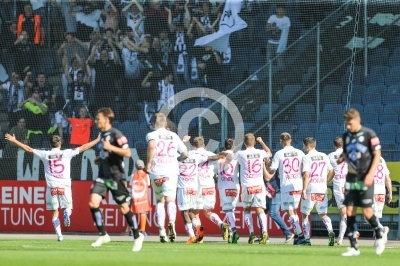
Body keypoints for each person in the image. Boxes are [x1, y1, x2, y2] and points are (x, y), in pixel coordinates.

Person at [4, 133, 101, 241]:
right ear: (61, 144)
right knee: (68, 208)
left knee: (54, 212)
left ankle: (59, 235)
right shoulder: (67, 153)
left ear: (50, 144)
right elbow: (84, 147)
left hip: (52, 187)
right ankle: (66, 213)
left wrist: (15, 141)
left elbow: (29, 149)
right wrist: (97, 140)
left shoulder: (45, 154)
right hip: (65, 186)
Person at [88, 108, 144, 252]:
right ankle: (103, 234)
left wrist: (111, 147)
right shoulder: (103, 136)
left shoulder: (116, 134)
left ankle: (138, 236)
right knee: (93, 203)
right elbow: (108, 152)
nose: (96, 120)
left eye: (98, 118)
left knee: (124, 208)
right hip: (102, 175)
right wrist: (101, 158)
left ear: (107, 119)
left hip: (116, 176)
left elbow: (127, 152)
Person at [339, 108, 385, 256]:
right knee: (350, 210)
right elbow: (346, 152)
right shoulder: (346, 136)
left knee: (367, 212)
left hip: (365, 177)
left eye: (350, 123)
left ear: (358, 121)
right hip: (351, 177)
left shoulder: (369, 134)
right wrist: (342, 158)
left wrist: (371, 174)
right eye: (346, 123)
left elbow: (377, 154)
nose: (348, 126)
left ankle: (380, 233)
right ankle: (353, 247)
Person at [146, 112, 189, 243]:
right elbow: (186, 154)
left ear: (154, 124)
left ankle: (162, 231)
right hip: (171, 171)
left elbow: (152, 146)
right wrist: (176, 159)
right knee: (170, 200)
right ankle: (172, 223)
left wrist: (148, 164)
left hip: (156, 170)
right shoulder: (174, 136)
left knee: (160, 201)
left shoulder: (151, 134)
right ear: (166, 123)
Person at [224, 133, 271, 244]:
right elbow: (269, 153)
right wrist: (262, 142)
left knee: (247, 209)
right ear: (254, 142)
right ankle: (264, 231)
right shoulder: (260, 152)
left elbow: (229, 157)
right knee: (260, 209)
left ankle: (252, 233)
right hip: (259, 185)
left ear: (244, 143)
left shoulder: (240, 154)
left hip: (247, 186)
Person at [263, 132, 305, 244]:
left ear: (281, 141)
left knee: (289, 210)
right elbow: (304, 169)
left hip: (287, 185)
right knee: (294, 210)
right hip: (298, 184)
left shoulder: (279, 154)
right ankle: (297, 236)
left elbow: (272, 170)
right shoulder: (300, 153)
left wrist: (266, 166)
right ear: (290, 140)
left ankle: (300, 235)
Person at [190, 136, 229, 243]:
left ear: (194, 146)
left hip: (197, 186)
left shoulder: (192, 154)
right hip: (210, 185)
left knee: (194, 213)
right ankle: (222, 224)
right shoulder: (212, 154)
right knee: (208, 212)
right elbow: (221, 167)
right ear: (205, 145)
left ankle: (200, 235)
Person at [300, 137, 334, 246]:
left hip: (311, 188)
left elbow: (306, 174)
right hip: (322, 189)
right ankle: (330, 231)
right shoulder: (324, 156)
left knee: (305, 215)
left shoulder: (306, 157)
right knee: (323, 214)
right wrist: (326, 181)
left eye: (304, 146)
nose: (303, 148)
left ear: (308, 146)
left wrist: (304, 190)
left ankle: (307, 240)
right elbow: (332, 171)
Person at [177, 140, 207, 243]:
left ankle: (192, 236)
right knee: (192, 213)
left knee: (185, 212)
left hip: (183, 188)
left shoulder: (177, 158)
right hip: (194, 188)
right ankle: (201, 234)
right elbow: (208, 158)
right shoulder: (195, 156)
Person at [215, 138, 240, 244]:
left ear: (224, 146)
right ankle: (231, 232)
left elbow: (215, 171)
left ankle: (233, 230)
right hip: (235, 186)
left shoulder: (219, 156)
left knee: (228, 210)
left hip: (224, 186)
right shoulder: (237, 156)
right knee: (231, 209)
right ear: (233, 146)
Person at [327, 137, 348, 245]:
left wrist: (327, 181)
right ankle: (341, 236)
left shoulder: (330, 156)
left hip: (339, 185)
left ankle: (343, 237)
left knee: (343, 211)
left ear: (334, 145)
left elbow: (331, 172)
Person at [372, 156, 392, 246]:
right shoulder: (382, 160)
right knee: (376, 216)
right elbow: (387, 178)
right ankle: (378, 239)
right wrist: (390, 193)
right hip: (381, 192)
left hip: (372, 192)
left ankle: (382, 229)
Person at [129, 159, 152, 237]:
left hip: (135, 197)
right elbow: (148, 184)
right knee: (143, 213)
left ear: (136, 167)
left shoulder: (133, 175)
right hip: (143, 197)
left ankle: (132, 231)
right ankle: (142, 230)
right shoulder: (146, 175)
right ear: (143, 166)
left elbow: (131, 185)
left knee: (133, 213)